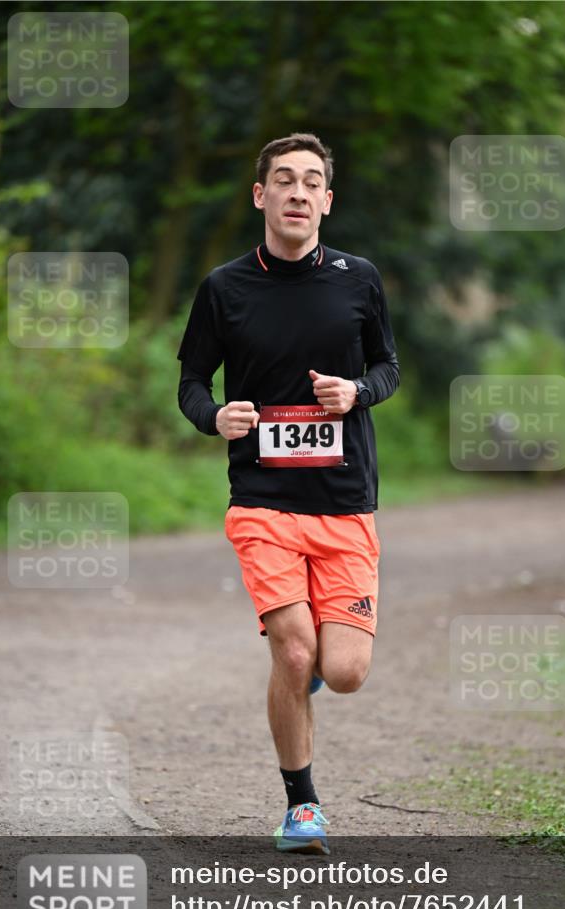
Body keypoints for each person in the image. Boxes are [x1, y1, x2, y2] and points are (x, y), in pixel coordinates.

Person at [176, 133, 399, 855]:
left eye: (310, 182)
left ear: (326, 201)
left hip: (344, 501)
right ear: (260, 195)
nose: (297, 192)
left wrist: (356, 391)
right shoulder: (224, 288)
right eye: (283, 180)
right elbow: (191, 383)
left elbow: (387, 368)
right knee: (296, 652)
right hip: (262, 501)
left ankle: (300, 677)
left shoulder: (359, 280)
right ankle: (302, 807)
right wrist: (215, 417)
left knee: (345, 672)